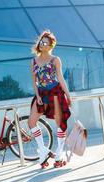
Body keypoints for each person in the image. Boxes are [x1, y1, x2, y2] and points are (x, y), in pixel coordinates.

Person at [27, 30, 72, 168]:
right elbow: (34, 81)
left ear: (51, 45)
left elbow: (60, 78)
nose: (42, 43)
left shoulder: (55, 60)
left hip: (55, 92)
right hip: (41, 93)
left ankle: (59, 154)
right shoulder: (33, 61)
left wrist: (68, 95)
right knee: (31, 122)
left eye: (45, 42)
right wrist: (38, 95)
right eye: (41, 41)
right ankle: (43, 151)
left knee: (60, 122)